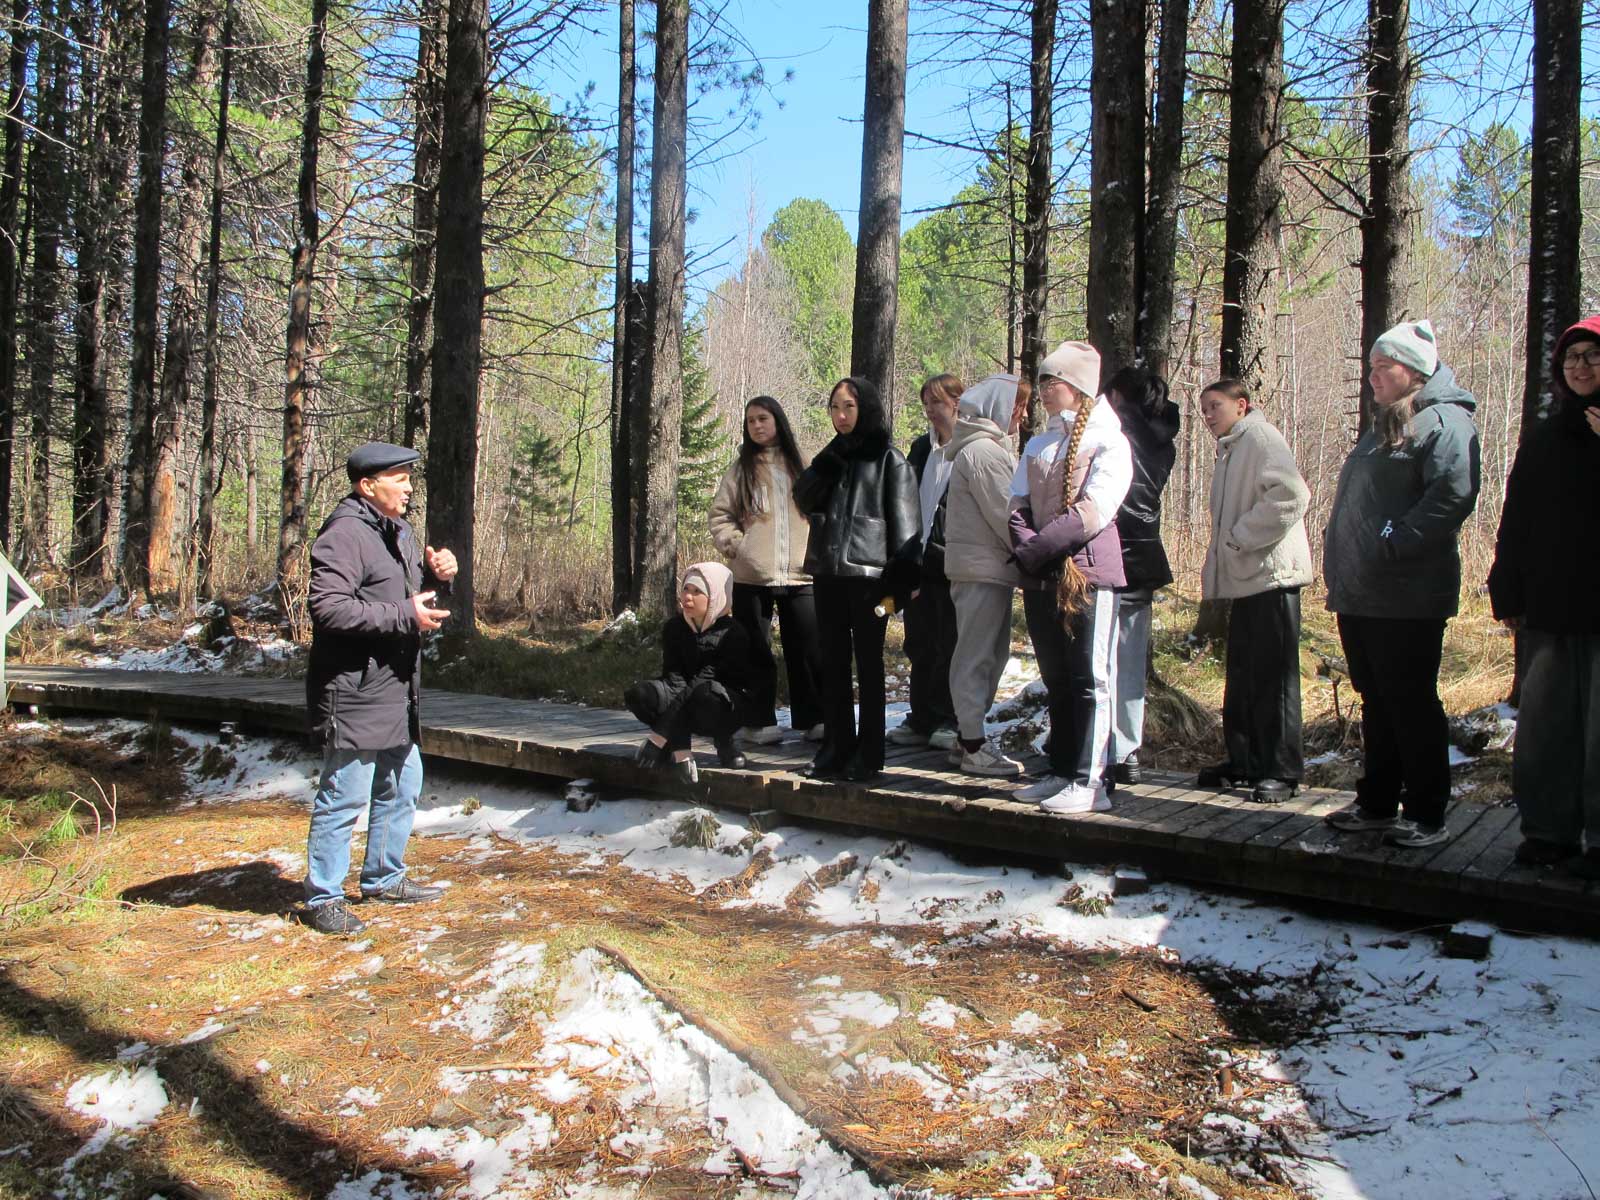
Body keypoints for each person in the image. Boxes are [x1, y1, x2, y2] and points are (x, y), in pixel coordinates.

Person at [1323, 319, 1481, 849]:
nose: (1372, 377)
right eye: (1370, 368)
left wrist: (1397, 540)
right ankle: (1377, 802)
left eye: (1382, 367)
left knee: (1410, 701)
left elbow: (1452, 495)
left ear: (1412, 370)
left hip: (1408, 593)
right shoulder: (1387, 421)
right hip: (1365, 591)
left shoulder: (1444, 422)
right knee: (1377, 700)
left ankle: (1427, 811)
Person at [303, 441, 458, 936]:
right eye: (400, 478)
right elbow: (327, 608)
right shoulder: (344, 533)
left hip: (395, 686)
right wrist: (402, 614)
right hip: (353, 689)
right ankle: (323, 896)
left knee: (402, 784)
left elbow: (410, 599)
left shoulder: (399, 533)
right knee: (344, 794)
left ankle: (384, 877)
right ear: (368, 486)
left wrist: (438, 577)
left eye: (410, 478)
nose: (410, 487)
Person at [1487, 315, 1600, 878]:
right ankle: (1549, 831)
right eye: (1572, 358)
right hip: (1551, 604)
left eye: (1592, 357)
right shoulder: (1547, 435)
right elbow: (1518, 516)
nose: (1581, 366)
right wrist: (1505, 584)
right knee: (1548, 726)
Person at [1008, 341, 1133, 814]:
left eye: (1051, 382)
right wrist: (1026, 545)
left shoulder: (1109, 441)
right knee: (1057, 677)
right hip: (1041, 577)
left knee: (1090, 679)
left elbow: (1094, 510)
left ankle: (1091, 780)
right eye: (1041, 381)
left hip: (1087, 575)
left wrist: (1036, 549)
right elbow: (1017, 502)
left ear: (1077, 388)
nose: (1042, 390)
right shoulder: (1040, 444)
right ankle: (1062, 770)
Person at [793, 376, 921, 782]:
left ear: (865, 408)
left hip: (872, 582)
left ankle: (869, 754)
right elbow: (803, 499)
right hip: (828, 576)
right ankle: (836, 747)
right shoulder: (830, 457)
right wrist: (825, 467)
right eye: (834, 407)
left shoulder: (890, 461)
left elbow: (907, 531)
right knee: (832, 663)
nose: (841, 415)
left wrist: (896, 590)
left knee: (868, 665)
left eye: (848, 407)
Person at [1194, 379, 1313, 804]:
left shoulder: (1261, 437)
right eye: (1203, 408)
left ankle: (1281, 770)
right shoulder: (1230, 448)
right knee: (1242, 674)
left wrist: (1240, 538)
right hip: (1247, 579)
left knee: (1274, 678)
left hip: (1272, 576)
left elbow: (1292, 495)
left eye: (1215, 406)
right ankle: (1244, 761)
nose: (1207, 415)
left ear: (1241, 405)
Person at [708, 396, 823, 746]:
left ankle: (815, 719)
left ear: (778, 420)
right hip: (751, 576)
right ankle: (759, 722)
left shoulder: (802, 464)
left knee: (807, 649)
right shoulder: (741, 469)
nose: (757, 426)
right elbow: (720, 515)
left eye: (763, 418)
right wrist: (738, 547)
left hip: (802, 574)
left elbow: (823, 509)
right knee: (754, 649)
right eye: (750, 421)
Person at [943, 373, 1031, 777]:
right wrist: (1037, 551)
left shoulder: (985, 450)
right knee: (977, 656)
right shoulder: (984, 453)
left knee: (990, 655)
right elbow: (1006, 515)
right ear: (1002, 409)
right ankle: (974, 743)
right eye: (1020, 408)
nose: (1025, 416)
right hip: (982, 569)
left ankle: (966, 737)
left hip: (986, 569)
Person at [1104, 367, 1180, 785]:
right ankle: (1126, 750)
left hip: (1115, 550)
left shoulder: (1118, 437)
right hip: (1145, 553)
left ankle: (1105, 748)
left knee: (1100, 660)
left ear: (1119, 398)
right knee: (1128, 662)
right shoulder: (1161, 439)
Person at [624, 561, 752, 784]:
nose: (687, 598)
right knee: (640, 694)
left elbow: (699, 685)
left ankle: (725, 744)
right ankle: (671, 746)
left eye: (696, 592)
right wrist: (681, 749)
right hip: (684, 699)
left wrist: (657, 737)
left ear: (715, 596)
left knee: (704, 694)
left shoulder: (733, 634)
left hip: (722, 706)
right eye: (685, 589)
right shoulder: (674, 627)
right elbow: (675, 682)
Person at [889, 374, 963, 751]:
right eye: (927, 404)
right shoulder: (920, 448)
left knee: (951, 645)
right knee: (919, 644)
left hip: (953, 563)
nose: (931, 410)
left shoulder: (969, 448)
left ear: (956, 402)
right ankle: (921, 719)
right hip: (919, 562)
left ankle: (949, 720)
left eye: (937, 402)